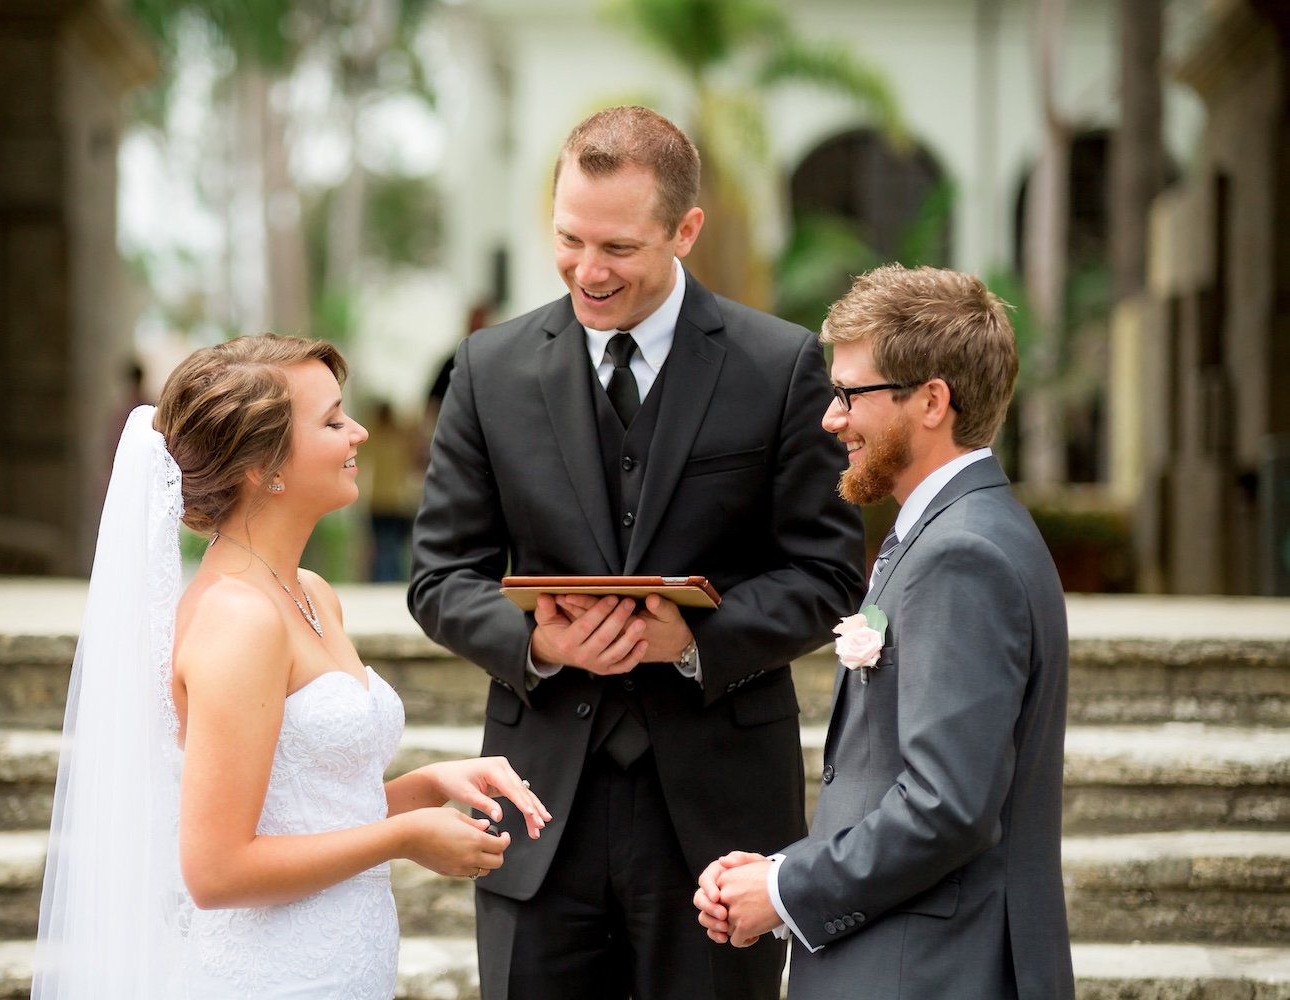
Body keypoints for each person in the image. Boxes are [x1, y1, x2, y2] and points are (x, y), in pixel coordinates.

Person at [407, 106, 865, 1000]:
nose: (588, 270)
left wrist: (693, 640)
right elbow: (440, 577)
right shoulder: (489, 370)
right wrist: (538, 643)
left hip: (718, 820)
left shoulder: (779, 366)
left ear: (685, 230)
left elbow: (828, 574)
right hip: (538, 806)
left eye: (618, 247)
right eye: (568, 240)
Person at [32, 333, 550, 999]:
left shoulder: (311, 593)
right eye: (332, 422)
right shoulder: (239, 619)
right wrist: (401, 838)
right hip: (272, 976)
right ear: (262, 467)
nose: (360, 432)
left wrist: (426, 785)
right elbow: (218, 872)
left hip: (345, 966)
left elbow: (307, 817)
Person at [694, 264, 1074, 999]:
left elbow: (945, 807)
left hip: (930, 974)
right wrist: (777, 874)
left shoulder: (961, 553)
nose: (830, 419)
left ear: (931, 400)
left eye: (850, 395)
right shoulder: (954, 530)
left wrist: (784, 890)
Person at [363, 400, 421, 582]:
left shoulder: (377, 438)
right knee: (392, 546)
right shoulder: (400, 439)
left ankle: (385, 579)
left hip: (383, 500)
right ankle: (389, 579)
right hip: (394, 500)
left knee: (385, 545)